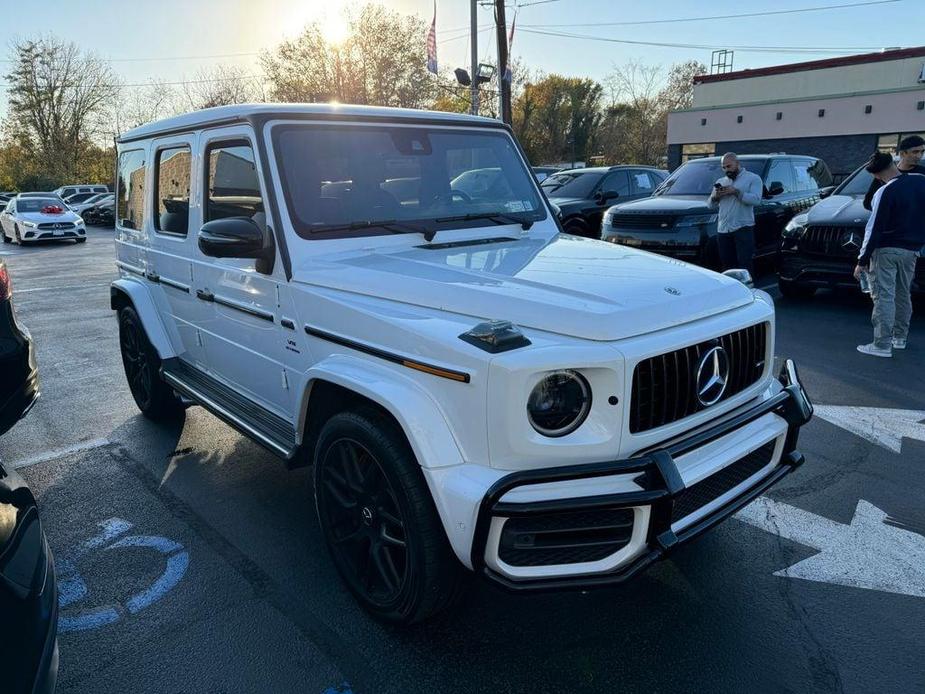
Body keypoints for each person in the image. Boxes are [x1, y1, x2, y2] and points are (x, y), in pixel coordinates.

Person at [854, 151, 925, 357]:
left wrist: (862, 260)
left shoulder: (884, 192)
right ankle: (899, 338)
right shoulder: (920, 181)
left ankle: (882, 344)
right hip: (911, 250)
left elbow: (873, 228)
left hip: (885, 250)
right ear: (894, 163)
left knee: (884, 296)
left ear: (876, 176)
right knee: (903, 293)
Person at [707, 152, 763, 274]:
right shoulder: (721, 181)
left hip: (743, 227)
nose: (726, 170)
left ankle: (748, 290)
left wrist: (736, 192)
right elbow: (710, 205)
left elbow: (756, 200)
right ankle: (731, 291)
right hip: (723, 229)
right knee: (727, 265)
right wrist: (716, 196)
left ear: (737, 163)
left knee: (745, 264)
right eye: (724, 167)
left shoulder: (753, 178)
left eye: (729, 166)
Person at [863, 134, 925, 211]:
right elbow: (868, 202)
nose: (919, 156)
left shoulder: (922, 174)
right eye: (915, 152)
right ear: (902, 153)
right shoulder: (887, 173)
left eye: (922, 152)